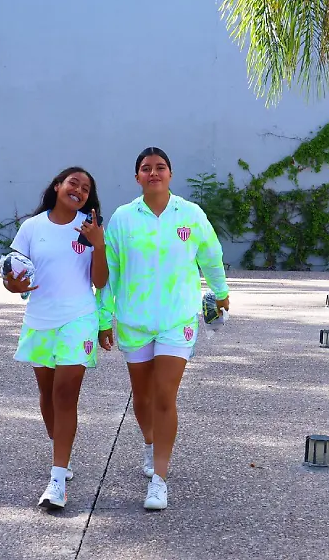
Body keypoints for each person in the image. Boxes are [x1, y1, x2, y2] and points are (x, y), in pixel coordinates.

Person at [96, 147, 230, 511]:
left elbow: (210, 255)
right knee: (141, 397)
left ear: (170, 174)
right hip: (135, 320)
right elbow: (110, 273)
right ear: (137, 177)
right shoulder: (123, 219)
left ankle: (159, 479)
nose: (153, 172)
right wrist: (104, 318)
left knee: (164, 395)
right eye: (145, 168)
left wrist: (221, 293)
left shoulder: (190, 214)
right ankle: (150, 443)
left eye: (160, 167)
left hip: (178, 320)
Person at [4, 167, 108, 511]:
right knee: (47, 395)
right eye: (72, 183)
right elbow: (13, 273)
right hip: (39, 321)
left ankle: (58, 479)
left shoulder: (89, 229)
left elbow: (101, 280)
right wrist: (13, 285)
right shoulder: (32, 227)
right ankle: (59, 448)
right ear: (57, 186)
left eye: (85, 188)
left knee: (65, 395)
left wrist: (99, 244)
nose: (78, 190)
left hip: (78, 319)